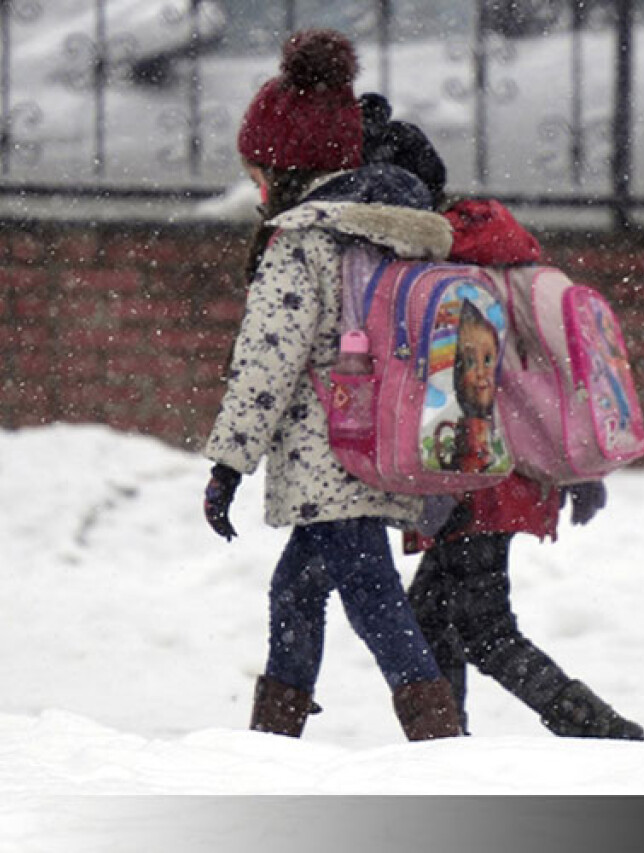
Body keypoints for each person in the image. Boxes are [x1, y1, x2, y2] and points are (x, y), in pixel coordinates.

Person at [359, 93, 644, 740]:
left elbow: (469, 383)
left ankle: (614, 738)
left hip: (477, 469)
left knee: (486, 630)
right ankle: (448, 752)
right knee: (433, 614)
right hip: (513, 466)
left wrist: (446, 484)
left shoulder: (448, 267)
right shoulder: (501, 247)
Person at [201, 30, 464, 742]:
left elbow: (267, 362)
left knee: (374, 597)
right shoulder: (390, 229)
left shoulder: (304, 240)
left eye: (258, 170)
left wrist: (229, 463)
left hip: (329, 450)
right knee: (296, 588)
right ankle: (272, 742)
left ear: (285, 168)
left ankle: (441, 742)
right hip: (383, 432)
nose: (256, 185)